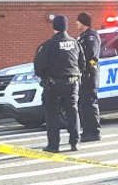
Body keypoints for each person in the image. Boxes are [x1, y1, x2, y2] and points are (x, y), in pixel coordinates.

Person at [33, 15, 82, 153]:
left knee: (52, 114)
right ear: (66, 27)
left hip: (53, 85)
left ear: (54, 27)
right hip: (72, 84)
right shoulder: (75, 43)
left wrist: (45, 77)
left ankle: (54, 145)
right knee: (72, 112)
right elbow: (82, 64)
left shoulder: (48, 45)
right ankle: (75, 142)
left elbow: (38, 68)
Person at [76, 12, 102, 142]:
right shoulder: (82, 37)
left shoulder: (92, 36)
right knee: (84, 104)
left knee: (90, 103)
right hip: (82, 74)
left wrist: (86, 68)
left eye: (78, 21)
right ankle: (86, 131)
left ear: (83, 22)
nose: (76, 23)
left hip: (90, 73)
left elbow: (92, 55)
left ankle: (94, 132)